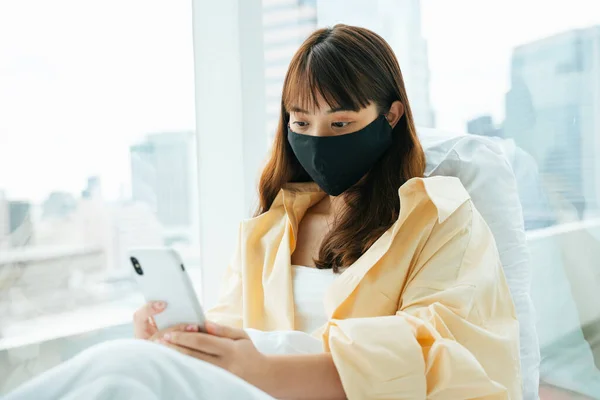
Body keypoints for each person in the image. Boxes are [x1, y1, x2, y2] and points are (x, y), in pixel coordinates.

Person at [5, 24, 521, 400]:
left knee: (123, 371)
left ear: (391, 115)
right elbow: (233, 329)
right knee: (130, 367)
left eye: (340, 125)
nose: (317, 141)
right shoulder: (274, 227)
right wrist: (189, 340)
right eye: (301, 122)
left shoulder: (441, 218)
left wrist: (268, 372)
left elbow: (442, 355)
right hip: (249, 393)